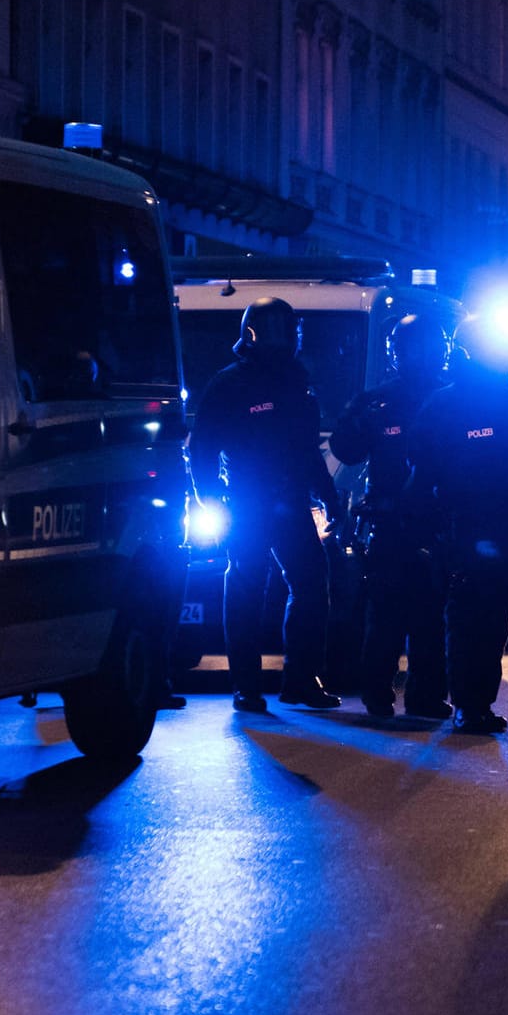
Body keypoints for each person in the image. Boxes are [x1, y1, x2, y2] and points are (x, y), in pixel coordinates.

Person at [405, 313, 508, 734]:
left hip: (474, 527)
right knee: (483, 616)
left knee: (477, 616)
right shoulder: (507, 405)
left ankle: (471, 704)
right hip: (475, 527)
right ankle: (471, 704)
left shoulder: (446, 404)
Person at [188, 297, 343, 714]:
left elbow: (308, 451)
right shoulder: (230, 383)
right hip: (248, 502)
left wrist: (328, 496)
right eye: (278, 330)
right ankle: (247, 686)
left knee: (311, 586)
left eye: (288, 330)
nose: (285, 338)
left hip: (290, 501)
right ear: (254, 333)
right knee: (245, 590)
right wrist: (209, 496)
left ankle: (301, 680)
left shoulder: (296, 382)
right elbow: (202, 447)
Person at [333, 313, 452, 720]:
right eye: (411, 348)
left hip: (436, 523)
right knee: (385, 615)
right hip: (389, 523)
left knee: (430, 617)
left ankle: (425, 696)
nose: (419, 356)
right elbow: (346, 450)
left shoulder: (452, 396)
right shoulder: (377, 401)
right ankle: (378, 694)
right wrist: (356, 419)